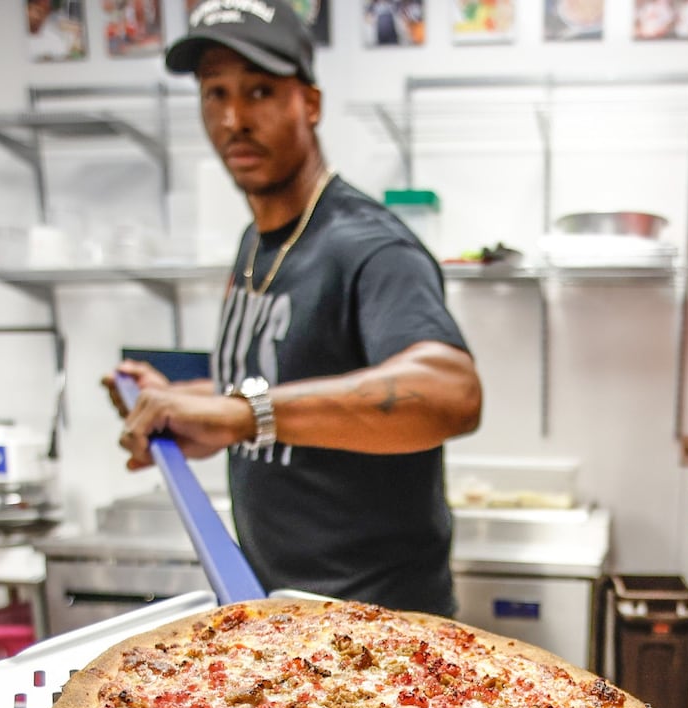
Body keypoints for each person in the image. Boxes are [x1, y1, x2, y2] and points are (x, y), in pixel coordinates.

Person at [107, 0, 482, 615]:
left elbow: (452, 393)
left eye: (258, 92)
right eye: (214, 93)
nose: (233, 119)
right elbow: (278, 381)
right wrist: (189, 402)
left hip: (375, 628)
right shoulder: (257, 242)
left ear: (309, 103)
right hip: (274, 610)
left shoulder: (370, 245)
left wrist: (237, 413)